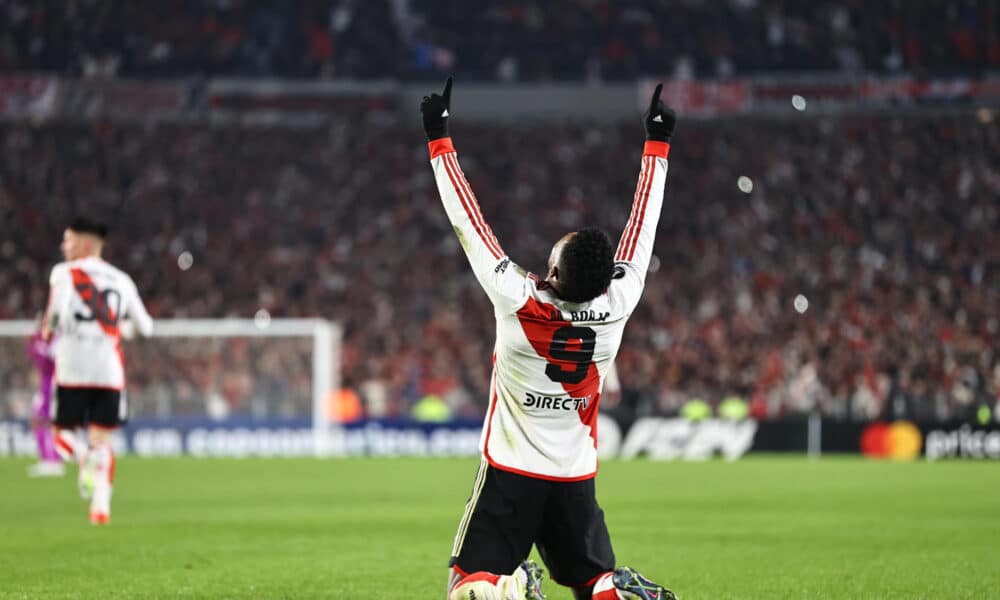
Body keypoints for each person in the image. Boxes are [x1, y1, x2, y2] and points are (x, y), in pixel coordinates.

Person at [422, 78, 679, 600]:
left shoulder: (519, 298)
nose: (543, 264)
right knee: (594, 583)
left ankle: (514, 589)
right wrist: (657, 146)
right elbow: (642, 227)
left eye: (551, 261)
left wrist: (439, 140)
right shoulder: (619, 302)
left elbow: (469, 223)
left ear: (556, 279)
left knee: (467, 587)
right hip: (575, 476)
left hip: (511, 473)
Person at [43, 217, 154, 525]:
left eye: (68, 240)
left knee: (61, 434)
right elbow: (145, 327)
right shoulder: (122, 280)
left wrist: (48, 330)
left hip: (73, 369)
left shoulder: (64, 274)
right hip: (108, 371)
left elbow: (54, 314)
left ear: (85, 244)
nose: (64, 247)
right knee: (102, 443)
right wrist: (118, 329)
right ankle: (100, 509)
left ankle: (82, 457)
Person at [26, 328, 64, 477]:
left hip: (52, 386)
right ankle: (49, 459)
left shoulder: (57, 341)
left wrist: (37, 346)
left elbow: (50, 360)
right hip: (45, 385)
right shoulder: (44, 341)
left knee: (44, 421)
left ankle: (52, 461)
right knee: (40, 420)